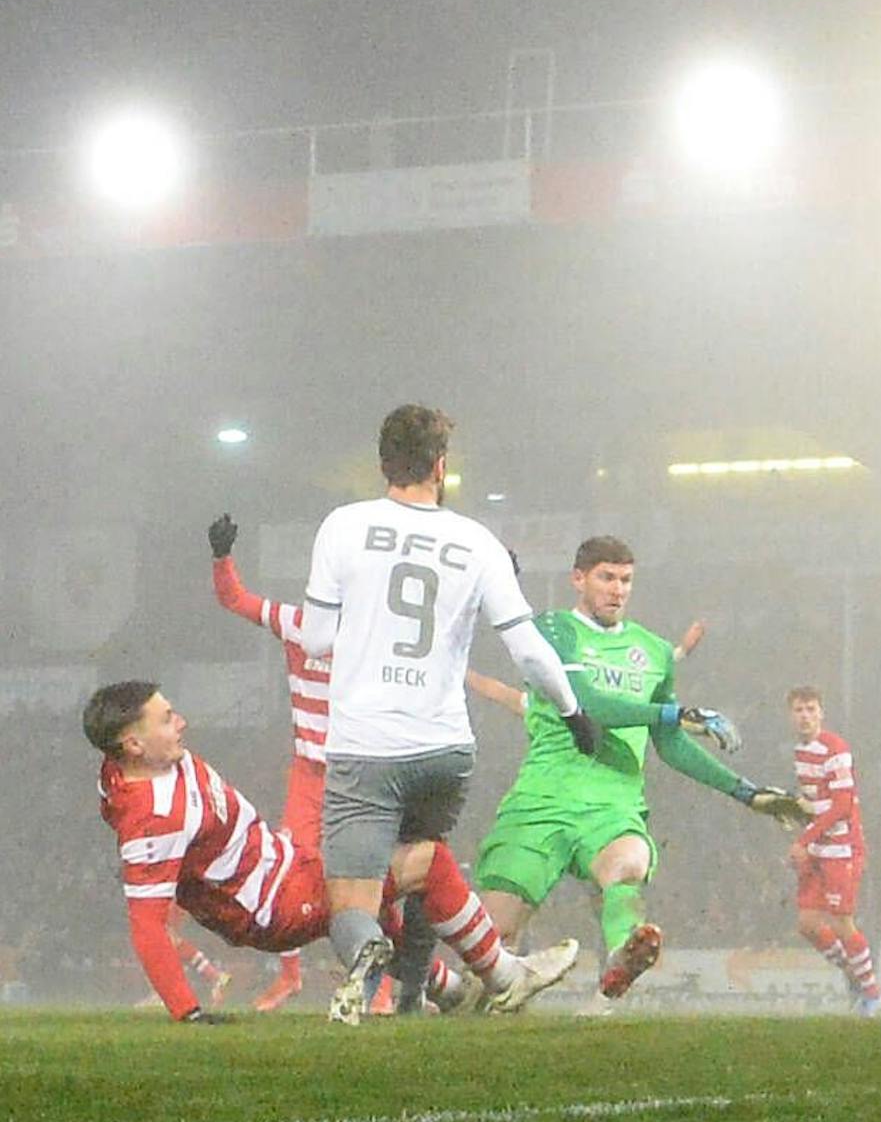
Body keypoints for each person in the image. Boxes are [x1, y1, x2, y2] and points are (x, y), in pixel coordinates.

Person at [297, 403, 602, 1022]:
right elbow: (527, 651)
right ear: (441, 466)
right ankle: (472, 981)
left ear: (382, 463)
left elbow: (315, 641)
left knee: (352, 899)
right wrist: (574, 714)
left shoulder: (343, 526)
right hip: (443, 748)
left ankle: (368, 956)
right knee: (423, 864)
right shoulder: (476, 542)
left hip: (365, 745)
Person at [82, 679, 577, 1020]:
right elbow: (147, 922)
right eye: (167, 718)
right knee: (426, 860)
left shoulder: (132, 768)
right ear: (133, 745)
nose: (182, 723)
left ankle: (451, 991)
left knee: (379, 901)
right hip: (274, 904)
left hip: (286, 861)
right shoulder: (153, 817)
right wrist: (186, 1011)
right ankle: (505, 977)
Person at [472, 534, 811, 1000]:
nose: (617, 589)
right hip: (541, 800)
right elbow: (587, 703)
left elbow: (669, 744)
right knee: (493, 940)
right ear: (578, 579)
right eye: (606, 578)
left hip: (613, 805)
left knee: (627, 864)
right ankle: (477, 997)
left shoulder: (652, 651)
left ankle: (621, 957)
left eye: (626, 580)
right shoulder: (553, 630)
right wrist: (675, 713)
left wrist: (746, 793)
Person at [206, 511, 327, 1011]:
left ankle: (385, 986)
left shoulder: (372, 634)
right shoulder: (295, 622)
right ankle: (292, 975)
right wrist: (222, 558)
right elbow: (234, 598)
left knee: (373, 870)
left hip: (363, 770)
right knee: (289, 869)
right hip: (310, 771)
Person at [787, 685, 881, 1014]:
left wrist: (803, 840)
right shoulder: (800, 752)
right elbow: (815, 803)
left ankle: (871, 994)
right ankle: (854, 974)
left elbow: (842, 805)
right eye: (799, 710)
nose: (805, 716)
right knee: (808, 923)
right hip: (818, 846)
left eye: (811, 709)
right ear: (790, 715)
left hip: (842, 846)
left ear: (821, 713)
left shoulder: (836, 749)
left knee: (842, 922)